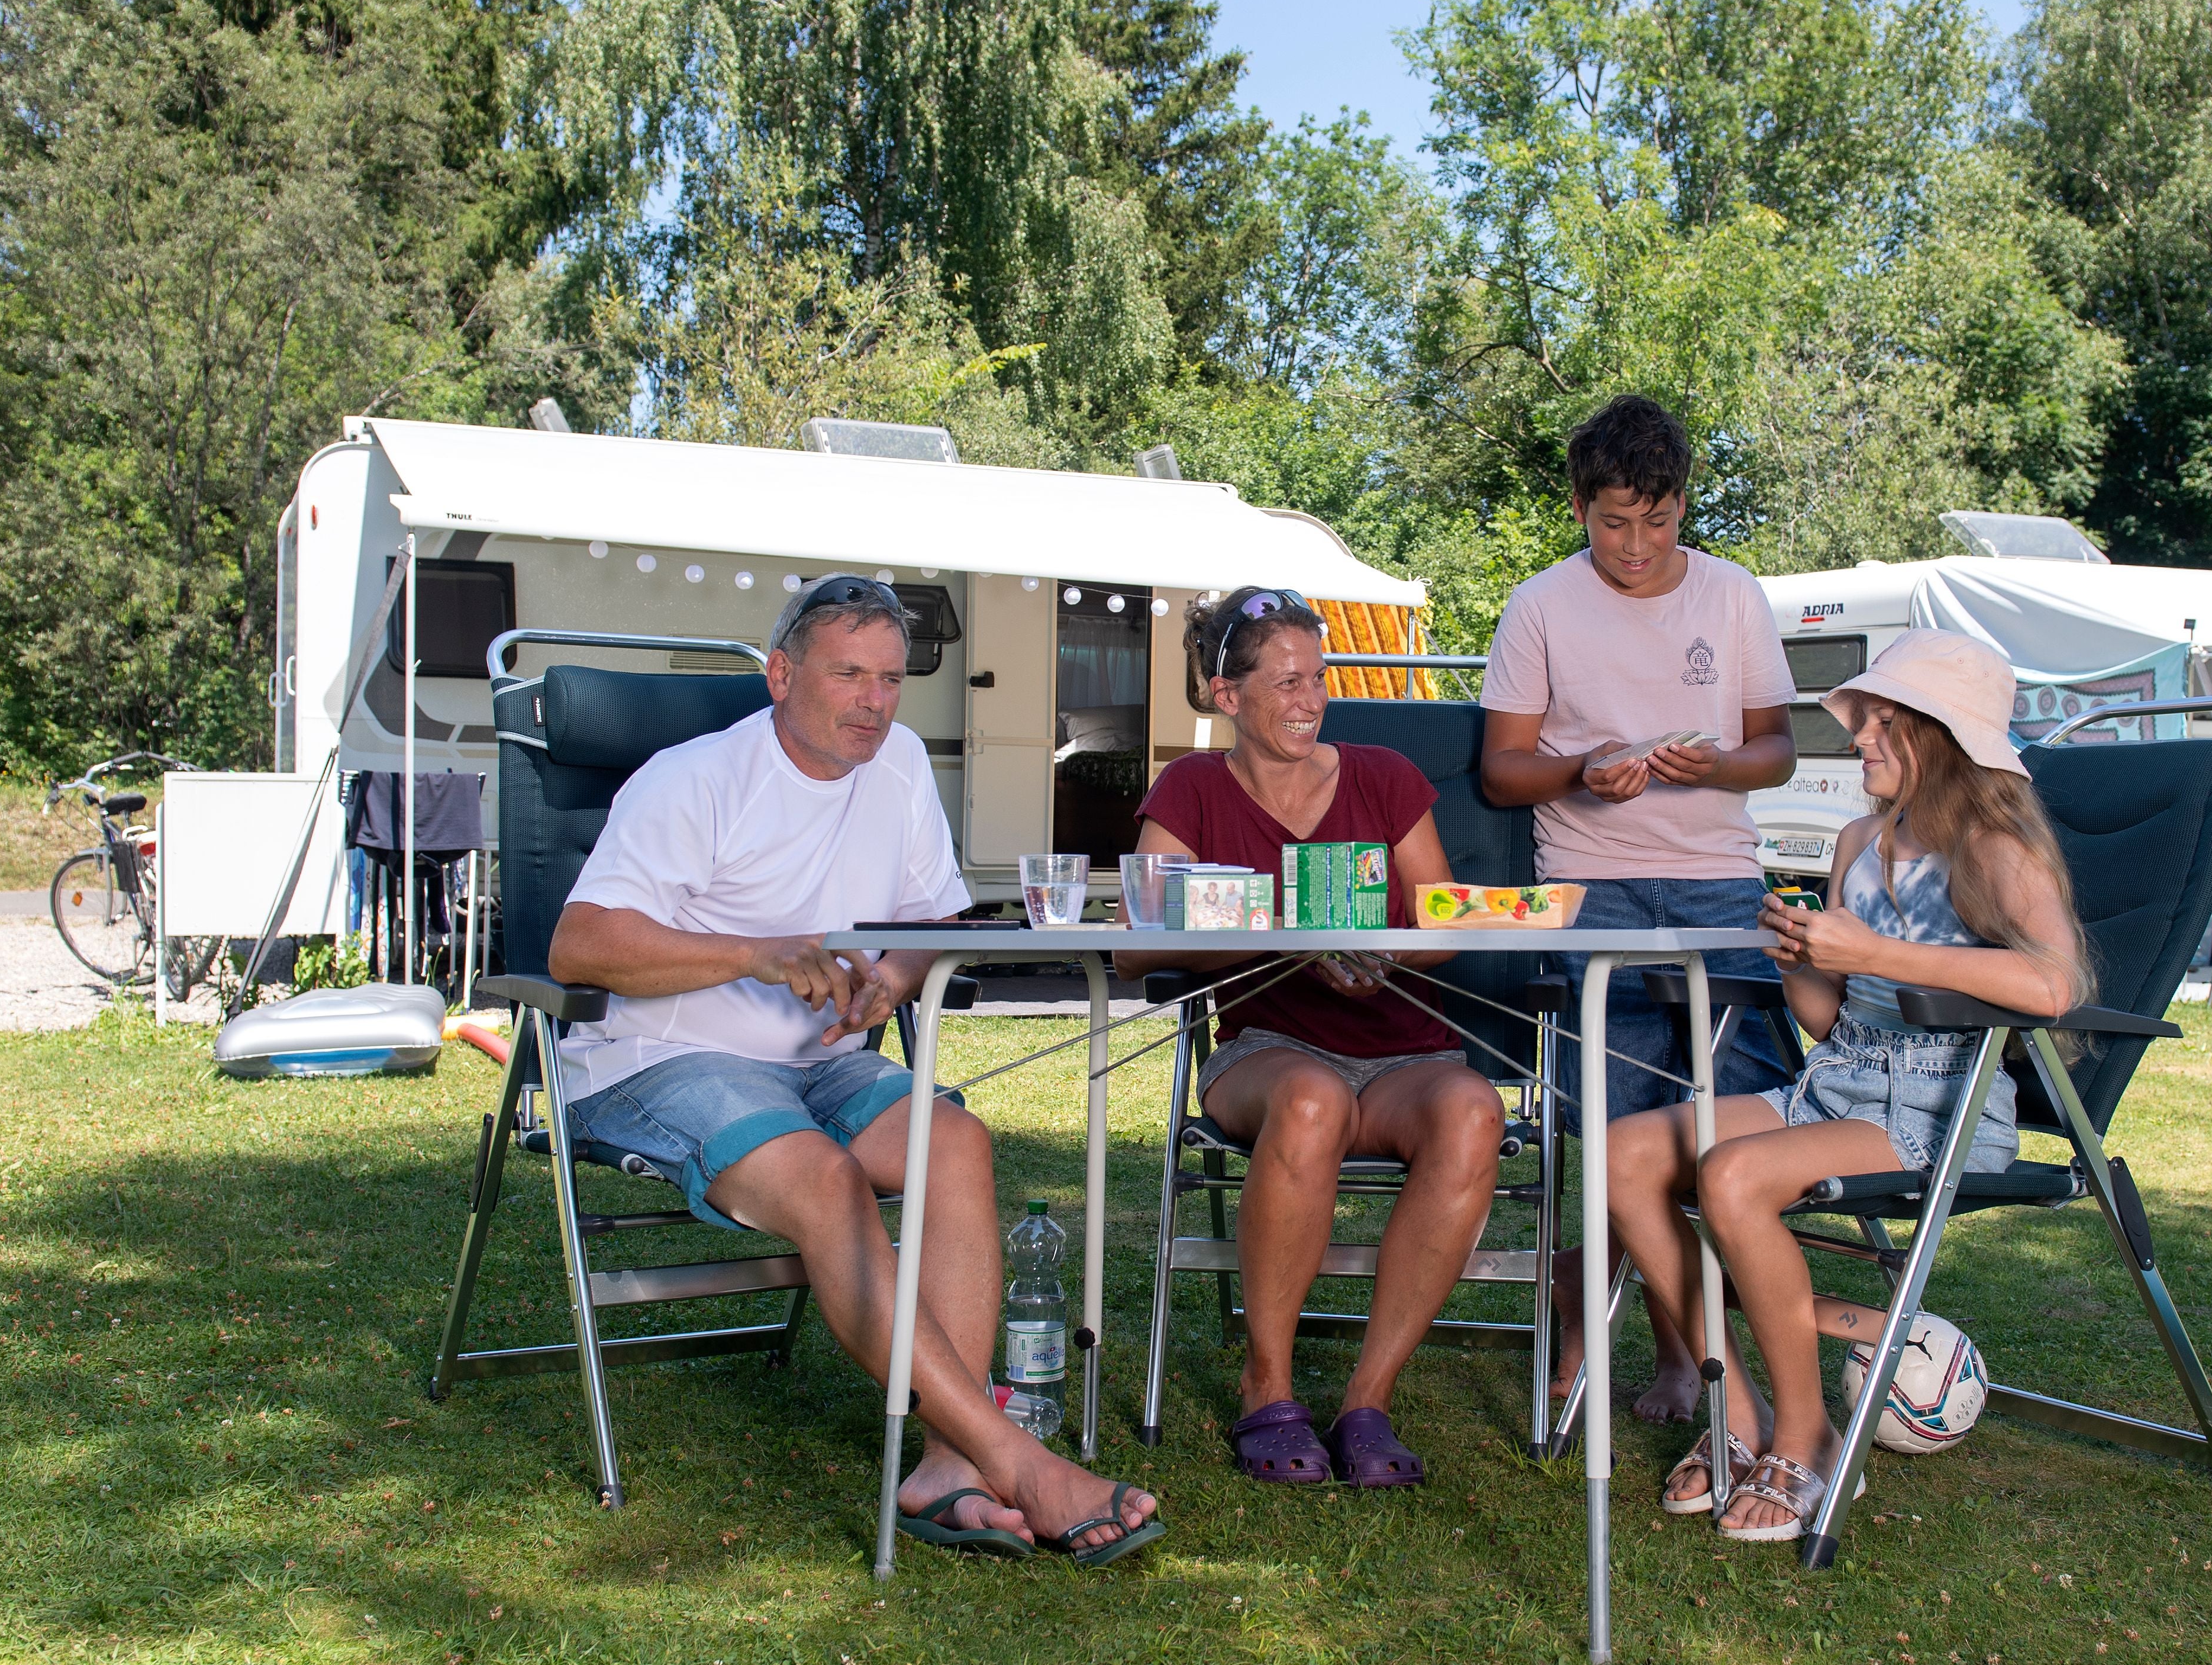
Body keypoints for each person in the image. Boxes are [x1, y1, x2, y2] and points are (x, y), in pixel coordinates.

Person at [546, 573, 1162, 1566]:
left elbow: (927, 920)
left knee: (956, 1143)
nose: (875, 701)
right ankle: (1014, 1460)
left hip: (821, 1057)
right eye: (849, 675)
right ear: (781, 675)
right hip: (663, 1058)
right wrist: (753, 951)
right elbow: (579, 945)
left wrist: (894, 976)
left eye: (890, 678)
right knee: (829, 1183)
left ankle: (944, 1471)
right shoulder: (692, 779)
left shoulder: (903, 763)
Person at [1600, 630, 2088, 1541]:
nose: (1858, 738)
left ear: (1936, 737)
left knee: (1734, 1176)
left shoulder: (1995, 847)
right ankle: (1736, 1414)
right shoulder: (1863, 840)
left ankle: (1809, 1437)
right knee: (1624, 1153)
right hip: (1837, 1084)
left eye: (1880, 724)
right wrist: (1800, 957)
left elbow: (2056, 986)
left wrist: (1871, 951)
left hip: (1937, 1111)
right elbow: (1828, 1020)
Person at [1114, 588, 1508, 1490]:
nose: (1309, 699)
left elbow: (1442, 926)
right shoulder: (1192, 788)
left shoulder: (1381, 776)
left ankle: (1369, 1399)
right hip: (1270, 1053)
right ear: (1226, 694)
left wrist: (1378, 936)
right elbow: (1134, 948)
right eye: (1286, 681)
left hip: (1406, 1050)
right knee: (1311, 1099)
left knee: (1475, 1111)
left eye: (1318, 678)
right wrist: (1288, 929)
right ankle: (1270, 1382)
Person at [1477, 394, 1800, 1421]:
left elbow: (1778, 751)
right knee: (1611, 1123)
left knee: (1727, 1131)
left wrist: (1714, 763)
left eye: (1657, 522)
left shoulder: (1735, 596)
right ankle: (1647, 1341)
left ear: (1683, 505)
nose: (1635, 545)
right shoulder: (1538, 606)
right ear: (1579, 506)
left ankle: (1672, 1340)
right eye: (1614, 521)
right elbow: (1501, 774)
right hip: (1589, 890)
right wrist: (1580, 772)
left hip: (1719, 888)